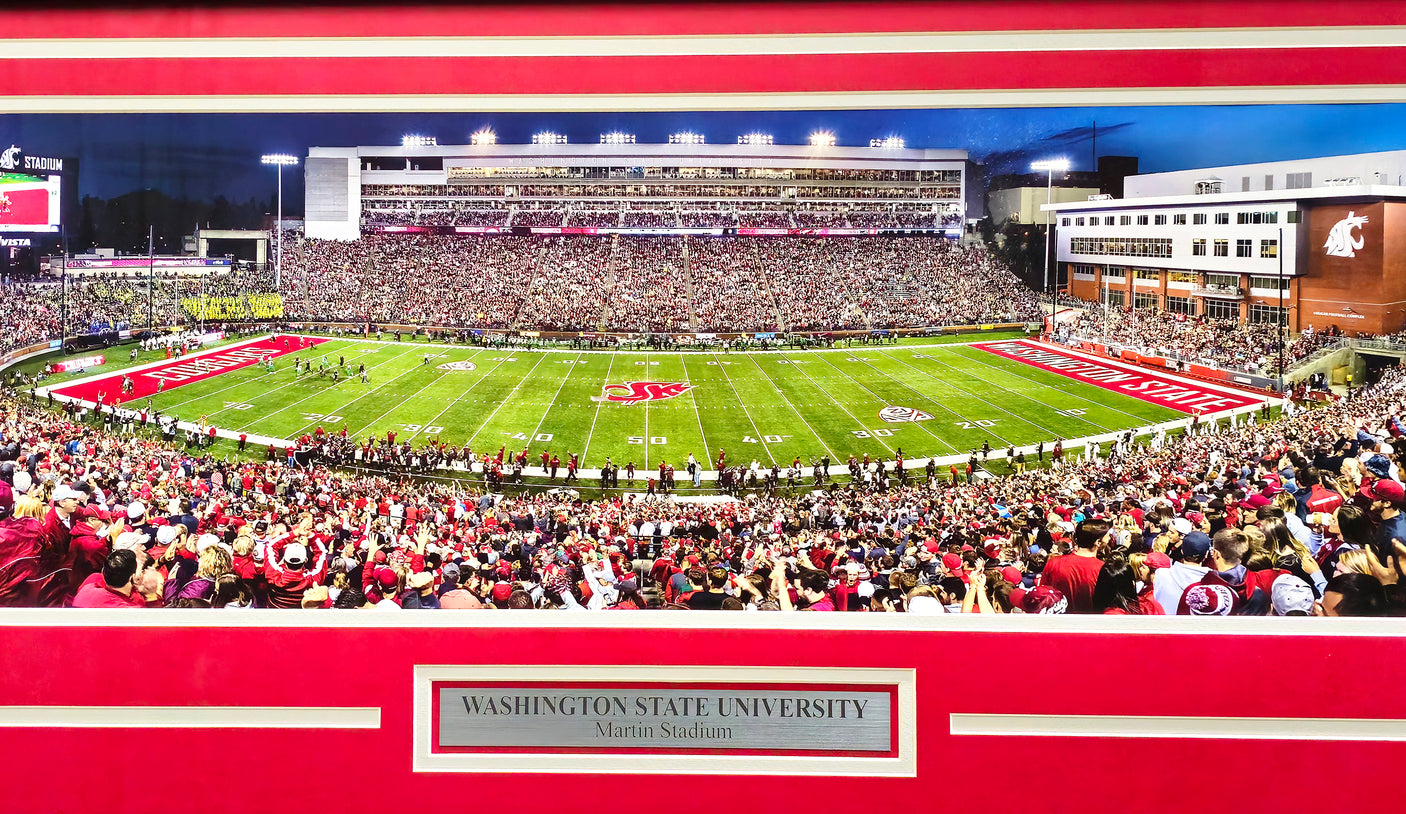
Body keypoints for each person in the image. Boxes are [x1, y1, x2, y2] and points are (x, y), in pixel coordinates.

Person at [1040, 518, 1108, 613]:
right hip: (1091, 624)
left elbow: (1041, 595)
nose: (1110, 539)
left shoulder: (1054, 563)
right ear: (1098, 542)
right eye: (1107, 537)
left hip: (1059, 622)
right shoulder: (1104, 569)